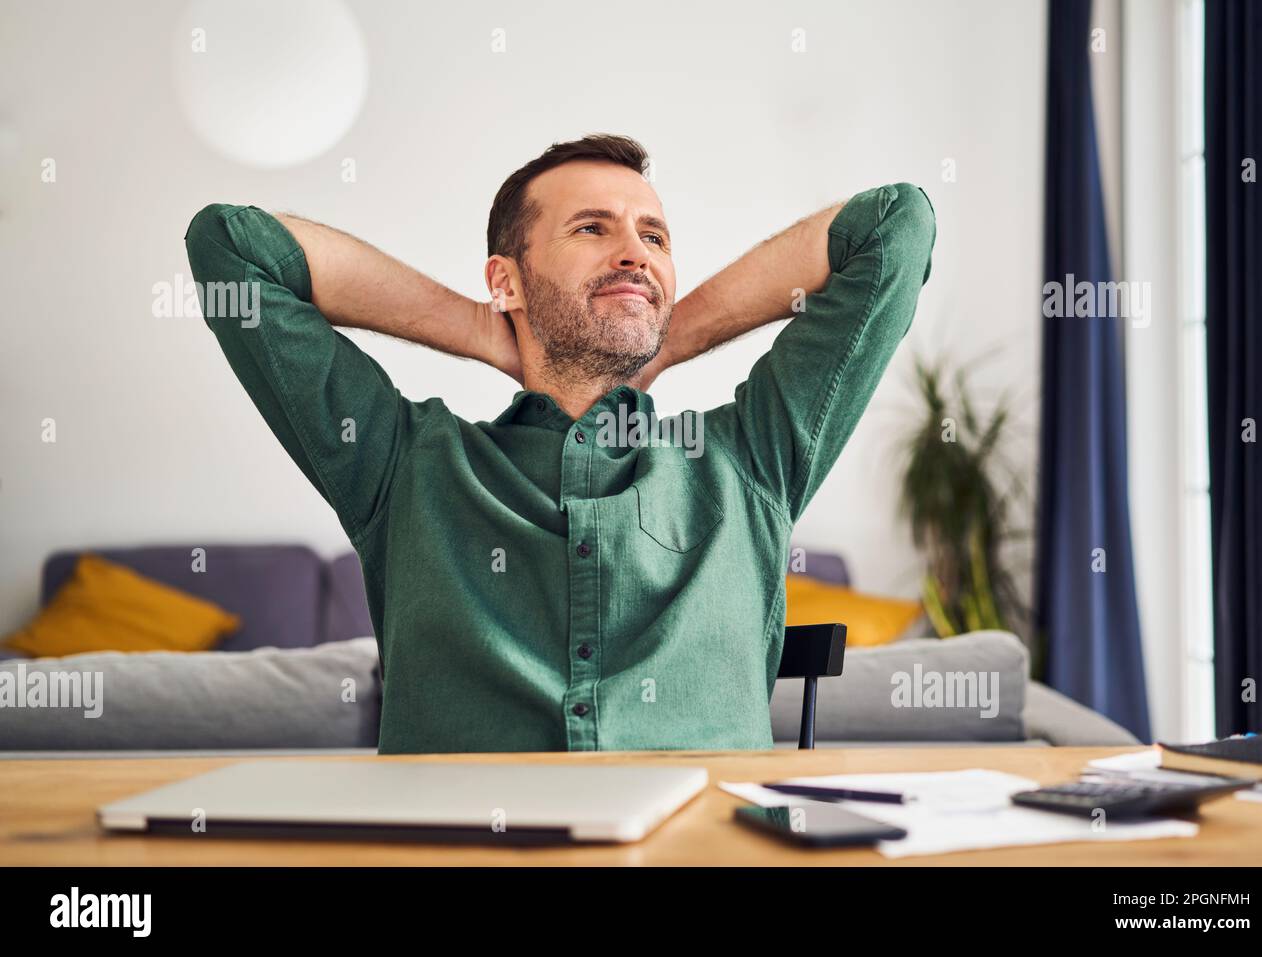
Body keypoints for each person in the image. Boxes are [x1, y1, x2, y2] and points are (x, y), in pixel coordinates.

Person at [184, 133, 936, 753]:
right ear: (505, 279)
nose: (635, 253)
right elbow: (232, 249)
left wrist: (665, 336)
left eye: (654, 237)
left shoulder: (747, 463)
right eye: (592, 228)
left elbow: (894, 226)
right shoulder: (403, 463)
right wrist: (481, 326)